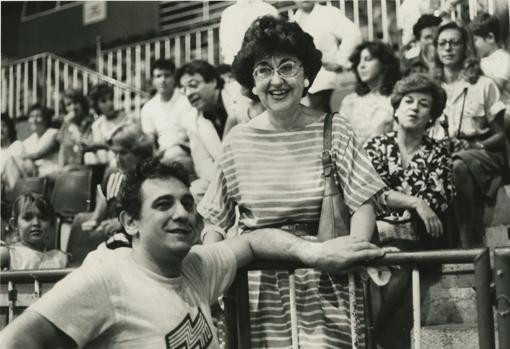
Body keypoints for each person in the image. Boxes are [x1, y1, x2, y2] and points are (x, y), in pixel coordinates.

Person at [0, 159, 384, 348]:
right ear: (130, 223)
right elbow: (15, 342)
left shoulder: (195, 265)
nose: (182, 213)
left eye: (187, 202)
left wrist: (311, 253)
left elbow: (251, 241)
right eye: (164, 204)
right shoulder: (107, 276)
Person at [199, 15, 387, 348]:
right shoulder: (237, 141)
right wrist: (214, 273)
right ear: (252, 82)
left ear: (307, 75)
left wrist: (350, 253)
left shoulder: (336, 128)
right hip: (256, 294)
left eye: (287, 67)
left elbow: (363, 202)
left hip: (328, 286)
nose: (276, 81)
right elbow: (215, 219)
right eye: (264, 70)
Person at [364, 74, 453, 349]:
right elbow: (369, 193)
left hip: (419, 240)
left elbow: (437, 201)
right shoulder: (375, 146)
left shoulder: (438, 152)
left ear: (432, 116)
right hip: (377, 236)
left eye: (424, 104)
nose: (414, 108)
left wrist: (409, 205)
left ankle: (373, 338)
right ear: (396, 107)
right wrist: (415, 202)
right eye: (408, 101)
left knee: (400, 265)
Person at [429, 21, 506, 247]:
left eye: (455, 42)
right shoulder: (431, 87)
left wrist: (477, 147)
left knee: (457, 166)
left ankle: (467, 244)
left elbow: (500, 136)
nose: (448, 48)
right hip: (443, 152)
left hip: (482, 152)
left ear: (466, 48)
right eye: (442, 43)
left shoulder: (483, 84)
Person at [69, 124, 155, 266]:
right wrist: (96, 220)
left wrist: (120, 223)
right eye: (115, 153)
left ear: (139, 153)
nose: (118, 159)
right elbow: (102, 207)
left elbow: (153, 217)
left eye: (123, 153)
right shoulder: (113, 174)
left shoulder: (154, 180)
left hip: (142, 247)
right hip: (117, 244)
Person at [175, 60, 250, 200]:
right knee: (195, 192)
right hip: (227, 177)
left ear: (214, 81)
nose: (189, 93)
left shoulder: (238, 93)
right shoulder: (193, 122)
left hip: (254, 164)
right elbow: (203, 165)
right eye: (183, 89)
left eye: (193, 85)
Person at [292, 1, 362, 112]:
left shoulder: (329, 13)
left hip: (325, 80)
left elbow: (353, 34)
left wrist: (340, 60)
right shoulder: (294, 20)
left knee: (325, 120)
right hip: (303, 83)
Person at [339, 41, 401, 144]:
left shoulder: (396, 100)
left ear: (384, 62)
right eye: (358, 62)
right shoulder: (350, 102)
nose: (361, 66)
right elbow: (340, 140)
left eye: (368, 59)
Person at [140, 58, 196, 166]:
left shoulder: (186, 99)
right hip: (163, 155)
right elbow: (149, 139)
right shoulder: (148, 107)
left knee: (173, 154)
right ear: (153, 80)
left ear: (174, 77)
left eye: (167, 75)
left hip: (189, 151)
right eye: (158, 76)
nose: (163, 80)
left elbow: (194, 133)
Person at [0, 193, 67, 270]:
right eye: (28, 218)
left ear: (51, 223)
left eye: (42, 218)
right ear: (15, 224)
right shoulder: (8, 254)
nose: (36, 223)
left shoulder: (60, 258)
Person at [3, 104, 60, 190]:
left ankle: (17, 195)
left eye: (38, 116)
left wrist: (22, 157)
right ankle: (17, 195)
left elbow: (38, 155)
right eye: (31, 116)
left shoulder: (53, 134)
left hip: (49, 172)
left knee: (13, 161)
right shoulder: (28, 141)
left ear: (46, 119)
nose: (34, 120)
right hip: (33, 173)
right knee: (10, 163)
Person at [219, 0, 279, 65]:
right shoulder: (228, 13)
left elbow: (276, 40)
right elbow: (225, 45)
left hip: (264, 62)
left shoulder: (268, 10)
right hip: (237, 65)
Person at [469, 12, 510, 107]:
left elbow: (496, 88)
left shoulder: (502, 58)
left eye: (475, 40)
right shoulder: (485, 60)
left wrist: (476, 72)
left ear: (490, 38)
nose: (472, 45)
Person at [88, 83, 133, 166]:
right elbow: (101, 152)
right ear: (97, 105)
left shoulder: (126, 118)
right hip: (108, 166)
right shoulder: (97, 125)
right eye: (103, 101)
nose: (110, 103)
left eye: (111, 99)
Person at [57, 89, 95, 169]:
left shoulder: (91, 123)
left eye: (75, 103)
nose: (73, 107)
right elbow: (62, 149)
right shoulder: (66, 125)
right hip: (69, 168)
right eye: (68, 105)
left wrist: (74, 129)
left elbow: (84, 145)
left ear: (82, 104)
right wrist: (61, 168)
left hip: (88, 167)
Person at [1, 113, 25, 192]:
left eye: (4, 126)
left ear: (10, 128)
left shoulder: (17, 145)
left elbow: (14, 169)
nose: (1, 129)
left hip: (11, 184)